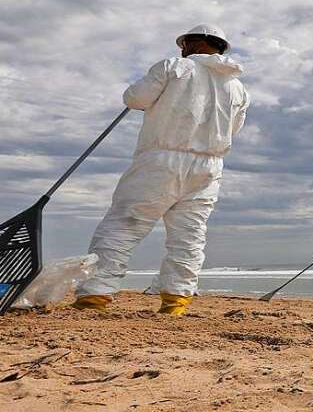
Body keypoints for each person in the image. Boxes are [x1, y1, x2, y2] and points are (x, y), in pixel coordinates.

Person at [73, 24, 250, 316]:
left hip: (161, 160)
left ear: (199, 43)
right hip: (209, 167)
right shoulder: (238, 88)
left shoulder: (173, 67)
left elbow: (134, 99)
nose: (181, 48)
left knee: (124, 225)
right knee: (189, 235)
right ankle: (176, 301)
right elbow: (234, 129)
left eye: (185, 43)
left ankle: (95, 296)